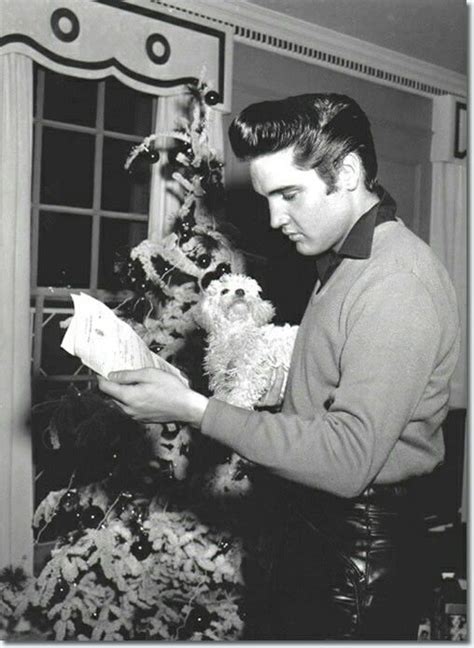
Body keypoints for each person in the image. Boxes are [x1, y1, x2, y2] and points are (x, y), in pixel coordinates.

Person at [98, 93, 460, 640]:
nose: (274, 218)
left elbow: (346, 459)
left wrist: (197, 411)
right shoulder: (344, 264)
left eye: (289, 194)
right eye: (268, 197)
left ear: (349, 172)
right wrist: (212, 386)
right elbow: (327, 388)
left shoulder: (395, 282)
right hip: (323, 533)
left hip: (358, 557)